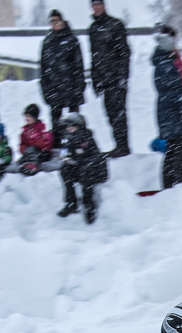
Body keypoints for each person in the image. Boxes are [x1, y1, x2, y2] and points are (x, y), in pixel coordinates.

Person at [153, 26, 182, 189]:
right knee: (176, 146)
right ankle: (174, 178)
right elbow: (172, 89)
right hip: (171, 112)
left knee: (176, 146)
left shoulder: (165, 62)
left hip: (169, 111)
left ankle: (174, 177)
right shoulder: (165, 64)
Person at [88, 0, 132, 157]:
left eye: (99, 4)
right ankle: (118, 144)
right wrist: (95, 80)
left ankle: (123, 146)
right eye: (94, 5)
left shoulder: (115, 25)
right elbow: (93, 56)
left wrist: (122, 76)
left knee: (119, 113)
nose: (97, 7)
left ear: (104, 6)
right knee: (110, 113)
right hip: (103, 79)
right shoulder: (93, 29)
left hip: (116, 77)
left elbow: (124, 52)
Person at [40, 9, 87, 143]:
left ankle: (77, 146)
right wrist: (45, 90)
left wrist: (79, 88)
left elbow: (79, 66)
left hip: (71, 87)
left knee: (74, 121)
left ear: (63, 21)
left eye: (58, 20)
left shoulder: (72, 40)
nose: (56, 23)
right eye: (53, 21)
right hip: (54, 89)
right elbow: (43, 69)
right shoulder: (47, 42)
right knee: (56, 123)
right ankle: (58, 147)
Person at [56, 112, 108, 224]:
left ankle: (88, 203)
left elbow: (96, 156)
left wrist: (81, 160)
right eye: (67, 127)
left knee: (86, 170)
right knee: (64, 169)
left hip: (92, 171)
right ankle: (71, 202)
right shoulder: (68, 139)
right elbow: (65, 153)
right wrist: (67, 159)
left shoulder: (87, 138)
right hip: (78, 168)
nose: (69, 129)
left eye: (72, 127)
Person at [5, 104, 62, 174]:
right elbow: (21, 145)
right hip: (29, 153)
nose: (26, 119)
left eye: (28, 116)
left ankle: (31, 166)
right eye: (26, 116)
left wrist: (34, 144)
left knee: (36, 154)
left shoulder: (42, 129)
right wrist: (25, 148)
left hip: (42, 153)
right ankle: (24, 165)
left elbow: (47, 144)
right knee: (25, 157)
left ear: (34, 117)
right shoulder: (25, 131)